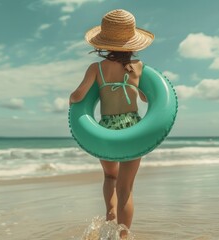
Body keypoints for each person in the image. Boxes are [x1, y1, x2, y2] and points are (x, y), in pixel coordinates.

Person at [69, 9, 154, 239]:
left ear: (104, 42)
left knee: (110, 177)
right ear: (132, 42)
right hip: (133, 130)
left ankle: (110, 215)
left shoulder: (96, 69)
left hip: (106, 130)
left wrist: (72, 99)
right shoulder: (138, 67)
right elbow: (148, 98)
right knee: (126, 189)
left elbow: (78, 96)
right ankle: (124, 237)